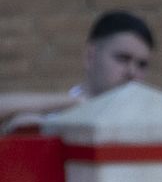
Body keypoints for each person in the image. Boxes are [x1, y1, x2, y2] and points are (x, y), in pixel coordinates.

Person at [0, 10, 154, 133]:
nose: (132, 71)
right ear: (90, 56)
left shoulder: (152, 121)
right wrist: (76, 102)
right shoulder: (54, 116)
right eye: (122, 58)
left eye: (142, 64)